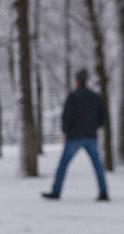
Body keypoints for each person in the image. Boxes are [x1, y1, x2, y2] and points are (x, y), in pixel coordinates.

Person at [42, 69, 109, 201]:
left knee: (64, 164)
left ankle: (56, 191)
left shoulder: (73, 97)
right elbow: (103, 117)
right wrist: (94, 127)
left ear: (77, 81)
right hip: (90, 136)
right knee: (97, 165)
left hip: (75, 136)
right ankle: (104, 191)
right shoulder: (95, 97)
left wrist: (67, 130)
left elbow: (66, 116)